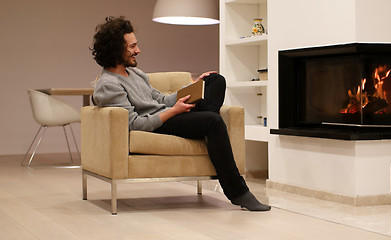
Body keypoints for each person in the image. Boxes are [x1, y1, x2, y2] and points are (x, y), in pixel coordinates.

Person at [90, 16, 271, 211]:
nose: (138, 50)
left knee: (215, 80)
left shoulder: (135, 73)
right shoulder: (108, 85)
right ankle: (238, 192)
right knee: (214, 121)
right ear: (117, 49)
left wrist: (193, 87)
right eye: (132, 47)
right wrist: (173, 112)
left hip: (170, 113)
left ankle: (205, 129)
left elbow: (161, 99)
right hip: (158, 125)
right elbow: (134, 124)